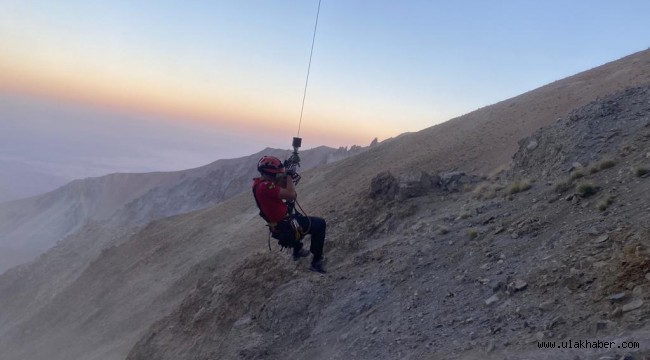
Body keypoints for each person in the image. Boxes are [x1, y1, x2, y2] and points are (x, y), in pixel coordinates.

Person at [252, 155, 326, 273]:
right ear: (270, 174)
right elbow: (291, 195)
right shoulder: (266, 187)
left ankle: (297, 250)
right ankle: (316, 262)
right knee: (320, 224)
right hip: (286, 226)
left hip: (280, 224)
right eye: (276, 174)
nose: (277, 176)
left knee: (296, 216)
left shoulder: (259, 183)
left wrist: (286, 175)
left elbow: (277, 188)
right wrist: (289, 176)